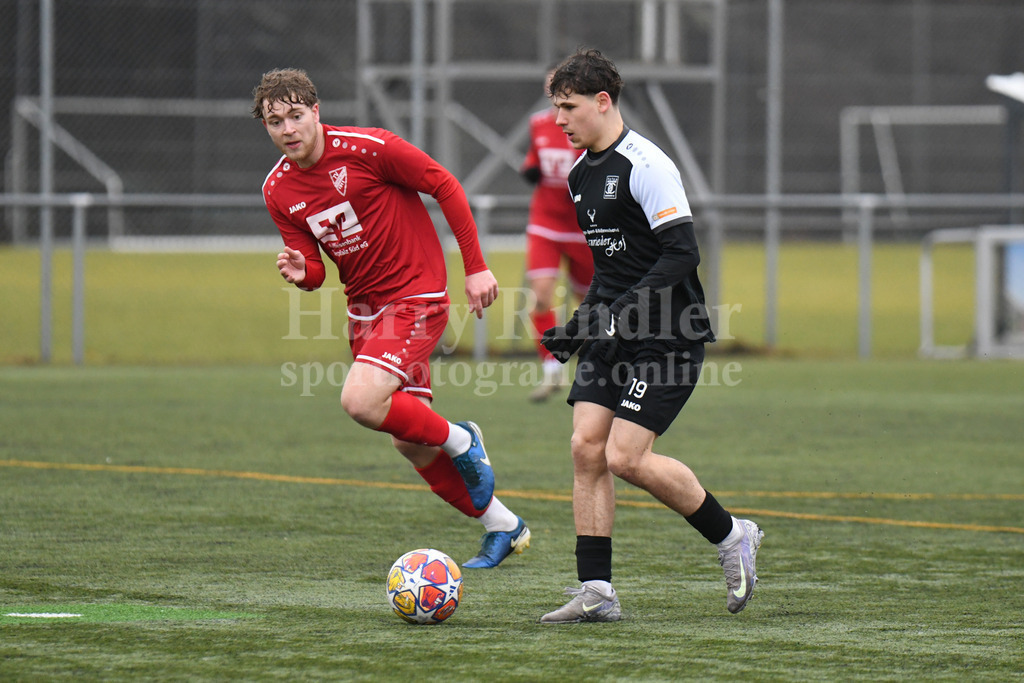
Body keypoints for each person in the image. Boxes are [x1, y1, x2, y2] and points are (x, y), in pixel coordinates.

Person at [252, 68, 530, 569]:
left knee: (359, 400)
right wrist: (302, 271)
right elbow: (315, 269)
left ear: (316, 112)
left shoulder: (368, 148)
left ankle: (463, 438)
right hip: (365, 311)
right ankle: (504, 526)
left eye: (296, 116)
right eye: (275, 122)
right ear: (267, 128)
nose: (288, 129)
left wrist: (476, 267)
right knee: (409, 442)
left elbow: (443, 184)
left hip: (416, 296)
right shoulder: (277, 190)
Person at [537, 49, 764, 622]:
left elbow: (682, 252)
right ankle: (596, 592)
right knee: (585, 446)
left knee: (625, 457)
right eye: (555, 108)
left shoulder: (646, 164)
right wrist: (584, 325)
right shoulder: (582, 174)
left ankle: (732, 534)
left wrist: (622, 313)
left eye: (568, 107)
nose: (560, 119)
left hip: (669, 333)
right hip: (617, 332)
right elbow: (610, 268)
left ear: (603, 101)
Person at [520, 70, 595, 403]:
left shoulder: (589, 126)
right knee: (540, 296)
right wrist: (530, 168)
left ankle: (600, 370)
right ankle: (552, 370)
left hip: (582, 228)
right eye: (552, 86)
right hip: (545, 224)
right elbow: (534, 161)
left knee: (593, 306)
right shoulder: (538, 124)